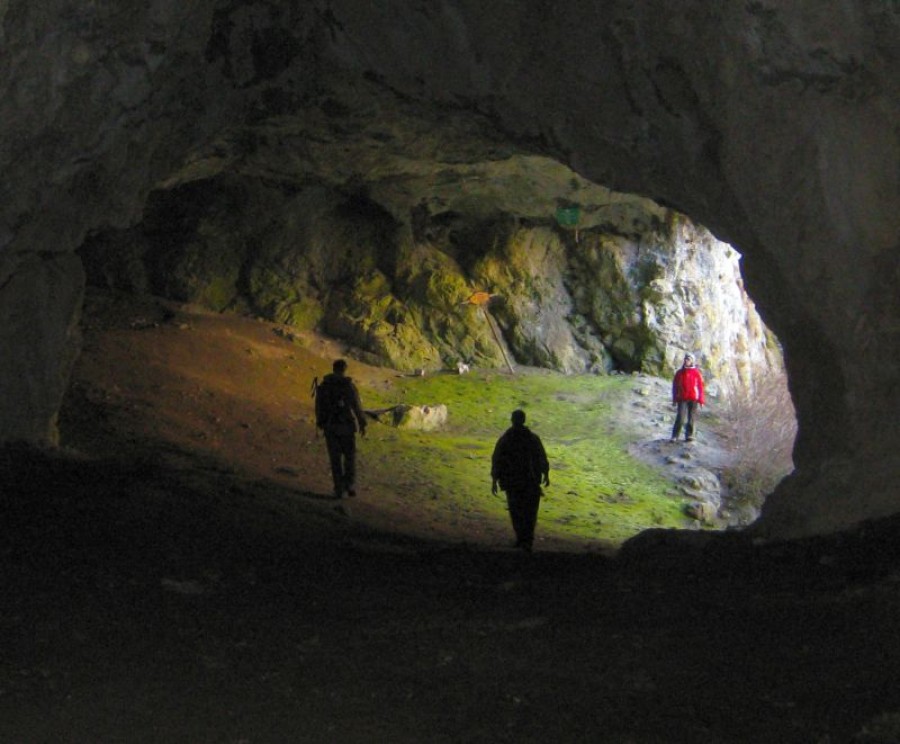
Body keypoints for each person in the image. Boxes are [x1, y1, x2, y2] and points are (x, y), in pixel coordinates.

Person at [491, 410, 550, 552]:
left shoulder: (506, 439)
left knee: (516, 510)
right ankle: (526, 540)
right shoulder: (532, 438)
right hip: (530, 482)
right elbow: (541, 457)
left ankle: (522, 539)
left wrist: (494, 479)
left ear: (512, 420)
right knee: (529, 511)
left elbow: (497, 459)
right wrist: (546, 474)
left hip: (513, 482)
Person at [315, 359, 367, 498]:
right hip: (346, 426)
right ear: (344, 369)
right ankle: (348, 484)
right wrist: (362, 422)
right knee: (349, 457)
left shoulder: (324, 385)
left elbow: (318, 406)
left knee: (335, 459)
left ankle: (338, 488)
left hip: (330, 426)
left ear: (333, 368)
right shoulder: (348, 386)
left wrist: (320, 422)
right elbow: (356, 406)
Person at [671, 352, 705, 442]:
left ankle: (689, 435)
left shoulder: (696, 373)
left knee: (691, 418)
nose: (686, 361)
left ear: (692, 361)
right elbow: (674, 387)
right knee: (680, 417)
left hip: (693, 398)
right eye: (685, 359)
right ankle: (675, 435)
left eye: (688, 359)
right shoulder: (679, 373)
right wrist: (674, 399)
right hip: (682, 398)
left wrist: (701, 400)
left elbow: (700, 387)